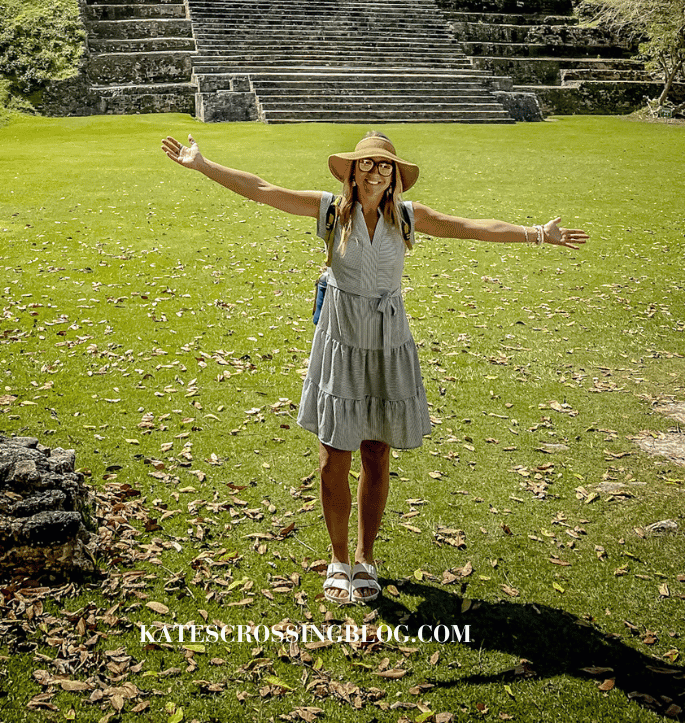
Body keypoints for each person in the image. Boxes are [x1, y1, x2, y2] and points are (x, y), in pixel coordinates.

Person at [160, 129, 588, 606]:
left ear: (395, 175)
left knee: (377, 454)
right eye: (367, 163)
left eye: (386, 165)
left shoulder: (406, 217)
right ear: (352, 170)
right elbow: (263, 190)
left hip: (388, 344)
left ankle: (366, 556)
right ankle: (338, 559)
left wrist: (537, 235)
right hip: (342, 342)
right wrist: (203, 164)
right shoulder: (330, 210)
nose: (376, 171)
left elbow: (469, 226)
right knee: (333, 457)